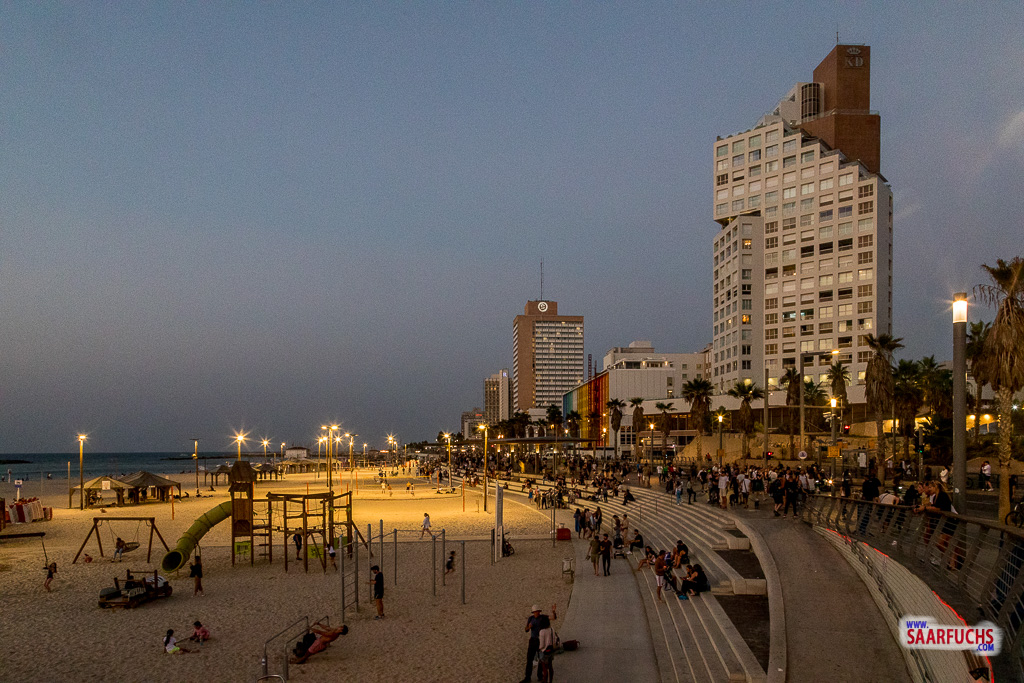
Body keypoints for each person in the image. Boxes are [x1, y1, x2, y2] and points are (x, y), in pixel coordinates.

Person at [521, 604, 557, 683]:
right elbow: (526, 630)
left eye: (537, 611)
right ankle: (528, 677)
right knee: (529, 659)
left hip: (540, 640)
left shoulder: (543, 617)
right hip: (532, 640)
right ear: (533, 612)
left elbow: (553, 618)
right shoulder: (531, 618)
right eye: (535, 611)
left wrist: (553, 611)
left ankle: (540, 676)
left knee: (541, 659)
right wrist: (529, 627)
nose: (537, 613)